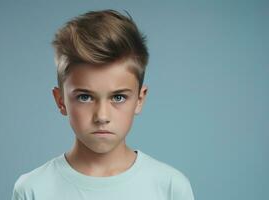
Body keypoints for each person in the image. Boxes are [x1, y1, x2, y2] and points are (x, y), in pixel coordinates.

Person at [11, 9, 195, 200]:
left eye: (118, 98)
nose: (102, 116)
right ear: (60, 100)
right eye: (85, 97)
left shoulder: (171, 187)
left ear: (139, 100)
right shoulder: (33, 189)